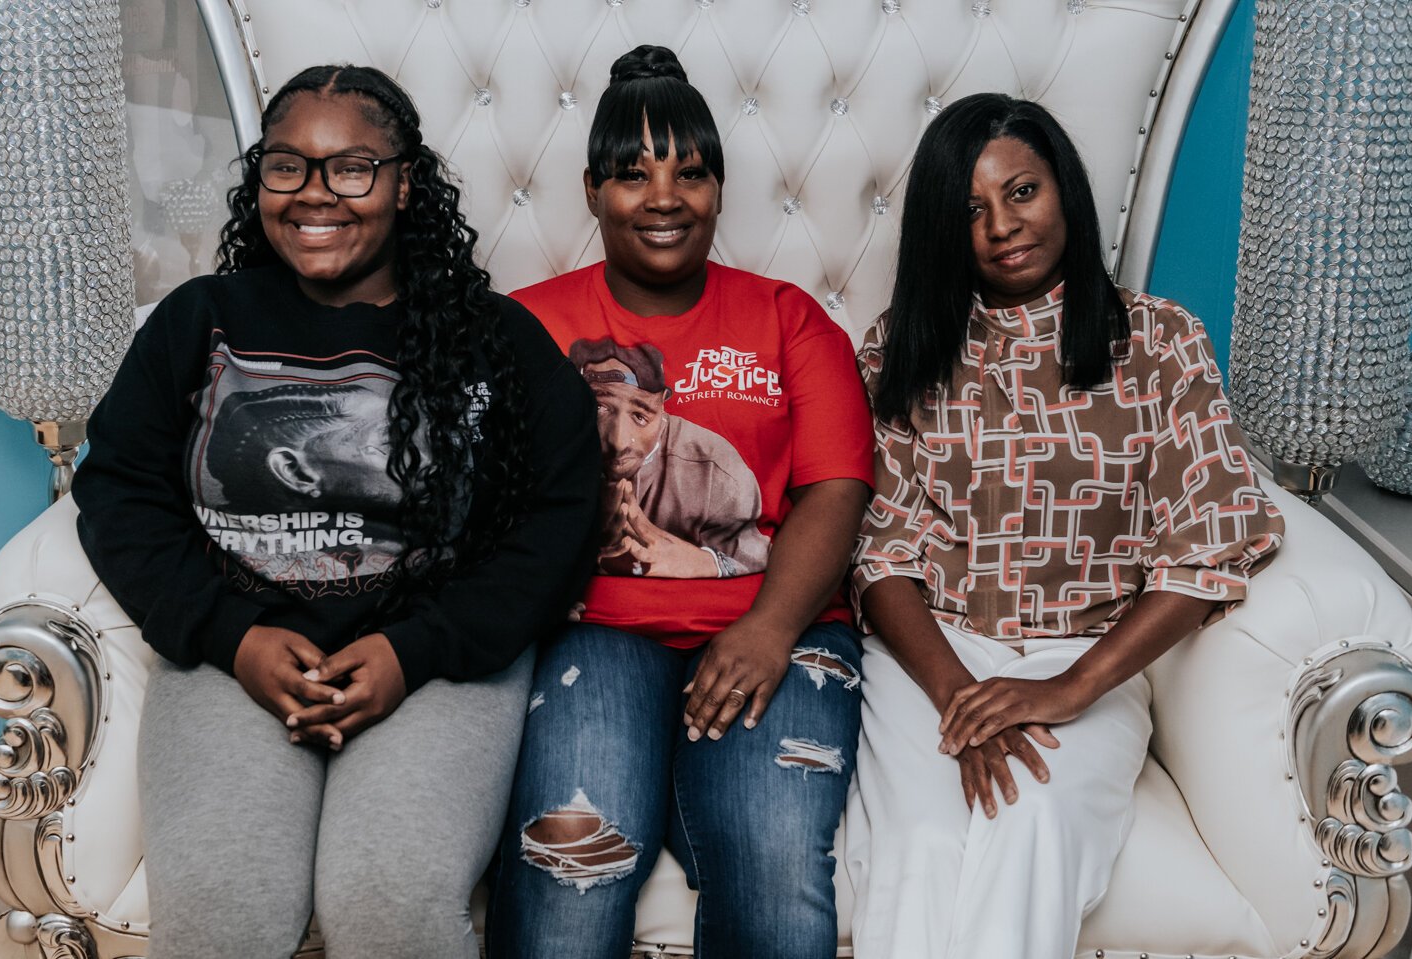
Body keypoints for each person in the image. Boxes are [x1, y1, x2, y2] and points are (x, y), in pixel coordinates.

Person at [71, 64, 599, 959]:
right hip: (234, 655)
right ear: (260, 179)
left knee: (386, 901)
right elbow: (118, 491)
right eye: (288, 166)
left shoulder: (492, 338)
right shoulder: (199, 320)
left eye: (351, 167)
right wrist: (233, 634)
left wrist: (414, 650)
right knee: (219, 913)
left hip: (432, 664)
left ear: (403, 183)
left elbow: (560, 518)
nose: (317, 195)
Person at [844, 93, 1286, 959]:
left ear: (1065, 192)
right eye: (971, 209)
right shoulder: (900, 349)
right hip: (930, 656)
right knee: (922, 850)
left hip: (1086, 653)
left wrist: (1068, 689)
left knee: (1032, 823)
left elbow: (1208, 546)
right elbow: (878, 553)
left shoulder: (1159, 342)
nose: (1002, 225)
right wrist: (963, 703)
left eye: (1022, 191)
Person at [487, 45, 875, 959]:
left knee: (774, 861)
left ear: (718, 187)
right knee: (569, 860)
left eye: (690, 172)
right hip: (595, 633)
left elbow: (836, 486)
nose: (664, 197)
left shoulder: (788, 318)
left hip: (779, 627)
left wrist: (770, 627)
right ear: (591, 190)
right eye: (633, 174)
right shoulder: (526, 327)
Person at [568, 335, 769, 577]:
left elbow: (755, 555)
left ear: (662, 404)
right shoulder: (546, 442)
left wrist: (702, 561)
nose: (619, 442)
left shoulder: (715, 468)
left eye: (640, 415)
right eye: (599, 408)